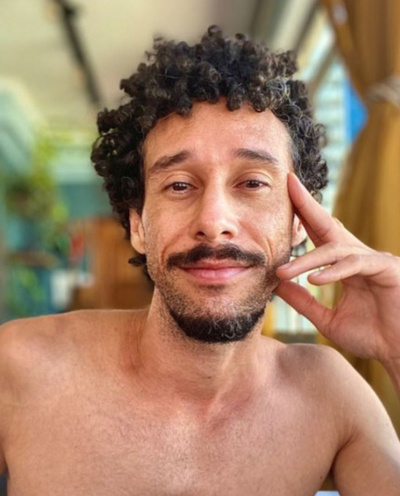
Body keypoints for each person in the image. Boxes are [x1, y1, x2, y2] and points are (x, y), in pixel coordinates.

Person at [1, 25, 400, 495]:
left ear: (299, 221)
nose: (213, 221)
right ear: (138, 225)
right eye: (179, 185)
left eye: (252, 183)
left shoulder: (333, 398)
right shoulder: (18, 367)